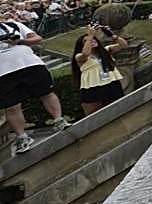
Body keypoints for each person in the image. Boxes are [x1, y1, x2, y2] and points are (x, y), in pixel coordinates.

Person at [0, 19, 70, 154]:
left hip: (29, 63)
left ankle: (59, 120)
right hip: (3, 72)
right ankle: (22, 137)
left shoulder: (11, 25)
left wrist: (20, 41)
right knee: (11, 106)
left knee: (47, 93)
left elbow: (37, 38)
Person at [71, 24, 128, 114]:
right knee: (94, 113)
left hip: (111, 82)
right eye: (85, 41)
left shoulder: (106, 51)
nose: (91, 41)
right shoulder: (79, 57)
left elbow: (123, 44)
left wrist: (110, 34)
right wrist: (90, 36)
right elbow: (85, 54)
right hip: (93, 86)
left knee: (119, 107)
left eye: (93, 39)